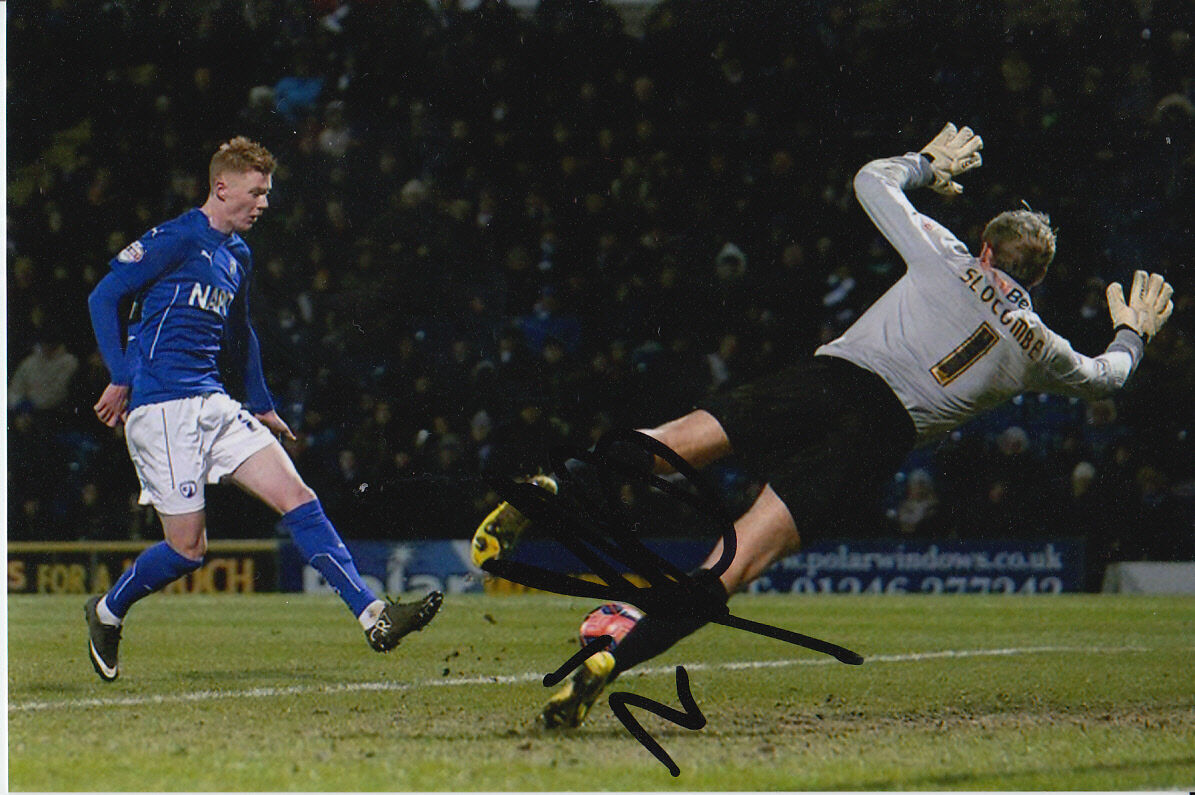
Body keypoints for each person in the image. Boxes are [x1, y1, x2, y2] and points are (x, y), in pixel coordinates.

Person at [471, 123, 1176, 728]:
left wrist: (926, 165)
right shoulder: (1039, 347)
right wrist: (1130, 333)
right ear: (1037, 277)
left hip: (828, 380)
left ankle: (553, 491)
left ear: (986, 249)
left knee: (682, 439)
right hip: (878, 436)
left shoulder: (947, 257)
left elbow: (871, 180)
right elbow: (1104, 377)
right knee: (736, 559)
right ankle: (610, 658)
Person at [84, 136, 442, 682]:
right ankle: (106, 612)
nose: (264, 204)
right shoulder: (176, 239)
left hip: (214, 402)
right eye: (256, 192)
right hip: (162, 409)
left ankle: (374, 616)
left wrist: (262, 405)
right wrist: (120, 375)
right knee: (188, 550)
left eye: (267, 193)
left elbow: (241, 332)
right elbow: (102, 297)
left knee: (298, 496)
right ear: (221, 187)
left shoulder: (238, 256)